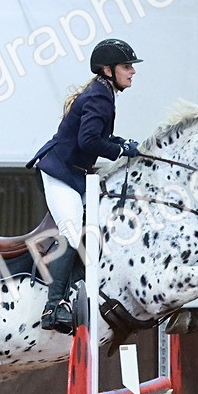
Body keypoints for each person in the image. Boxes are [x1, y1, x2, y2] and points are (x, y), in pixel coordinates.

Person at [26, 38, 142, 334]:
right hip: (60, 173)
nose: (132, 72)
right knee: (72, 231)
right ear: (108, 69)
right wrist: (118, 151)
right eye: (127, 66)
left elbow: (95, 137)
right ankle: (53, 306)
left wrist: (121, 143)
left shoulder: (104, 92)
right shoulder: (99, 96)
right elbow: (88, 141)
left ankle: (76, 287)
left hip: (76, 174)